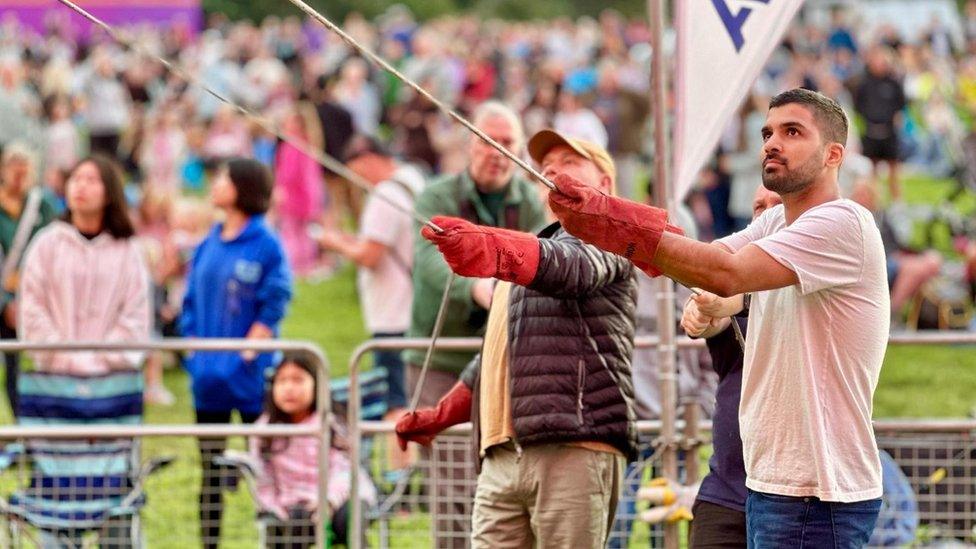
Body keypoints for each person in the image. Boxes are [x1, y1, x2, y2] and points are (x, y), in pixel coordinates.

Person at [549, 88, 889, 546]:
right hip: (775, 483)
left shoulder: (843, 222)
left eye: (792, 132)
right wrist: (621, 225)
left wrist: (613, 221)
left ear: (834, 155)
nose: (771, 142)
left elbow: (725, 273)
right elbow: (711, 262)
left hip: (817, 491)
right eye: (768, 132)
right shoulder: (776, 221)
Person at [397, 130, 651, 548]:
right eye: (546, 166)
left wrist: (494, 247)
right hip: (501, 453)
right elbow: (499, 355)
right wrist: (442, 414)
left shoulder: (611, 232)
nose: (551, 170)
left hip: (574, 446)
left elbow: (571, 268)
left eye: (569, 162)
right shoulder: (535, 251)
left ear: (605, 182)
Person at [402, 101, 546, 545]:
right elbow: (429, 263)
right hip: (442, 357)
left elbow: (541, 260)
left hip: (505, 359)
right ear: (469, 144)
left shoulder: (530, 204)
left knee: (503, 476)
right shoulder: (437, 196)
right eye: (487, 141)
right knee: (450, 482)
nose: (497, 152)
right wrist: (480, 287)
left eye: (507, 143)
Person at [180, 157, 293, 549]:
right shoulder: (208, 243)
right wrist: (193, 349)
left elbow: (276, 299)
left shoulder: (266, 244)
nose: (215, 183)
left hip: (249, 379)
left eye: (223, 178)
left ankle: (275, 539)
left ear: (243, 188)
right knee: (210, 472)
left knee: (267, 470)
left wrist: (250, 348)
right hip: (207, 379)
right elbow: (190, 301)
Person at [316, 137, 424, 452]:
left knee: (396, 405)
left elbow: (370, 255)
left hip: (392, 313)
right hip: (414, 308)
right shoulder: (413, 180)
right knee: (410, 398)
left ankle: (398, 488)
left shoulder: (386, 195)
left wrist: (333, 242)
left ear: (367, 159)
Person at [19, 155, 150, 376]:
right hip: (56, 375)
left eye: (91, 180)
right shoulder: (47, 244)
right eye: (76, 179)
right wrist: (62, 355)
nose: (81, 186)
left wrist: (101, 358)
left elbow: (135, 312)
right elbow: (32, 305)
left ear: (109, 193)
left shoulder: (128, 250)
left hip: (111, 378)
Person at [250, 353, 377, 548]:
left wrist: (328, 501)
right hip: (294, 505)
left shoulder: (332, 425)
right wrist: (274, 508)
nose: (289, 388)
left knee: (350, 520)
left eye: (298, 380)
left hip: (343, 497)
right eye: (282, 381)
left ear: (317, 386)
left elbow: (344, 471)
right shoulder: (264, 431)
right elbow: (263, 478)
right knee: (294, 523)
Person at [0, 143, 58, 415]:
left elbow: (55, 250)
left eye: (25, 170)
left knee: (35, 369)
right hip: (4, 299)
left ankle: (33, 432)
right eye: (14, 169)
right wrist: (5, 303)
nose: (19, 176)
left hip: (36, 297)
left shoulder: (41, 205)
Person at [853, 46, 907, 201]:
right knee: (871, 170)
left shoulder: (894, 83)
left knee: (894, 169)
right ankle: (874, 202)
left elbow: (901, 105)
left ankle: (897, 202)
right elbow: (859, 106)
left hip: (889, 132)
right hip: (871, 132)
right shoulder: (864, 83)